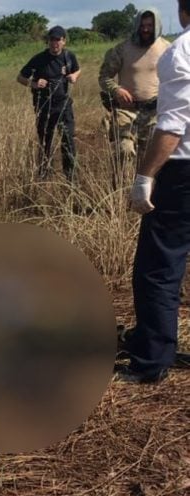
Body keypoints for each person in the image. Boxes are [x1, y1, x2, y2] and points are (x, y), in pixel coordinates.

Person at [117, 0, 190, 384]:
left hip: (182, 173)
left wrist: (145, 176)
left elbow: (173, 128)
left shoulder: (180, 52)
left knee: (158, 267)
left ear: (181, 10)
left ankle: (151, 361)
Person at [99, 8, 170, 185]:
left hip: (154, 111)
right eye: (142, 25)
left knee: (147, 159)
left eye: (150, 25)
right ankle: (117, 191)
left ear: (157, 26)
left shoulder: (168, 49)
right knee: (124, 150)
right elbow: (104, 76)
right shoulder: (123, 49)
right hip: (126, 110)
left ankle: (140, 195)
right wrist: (116, 90)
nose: (146, 29)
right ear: (137, 25)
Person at [17, 26, 81, 182]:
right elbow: (20, 77)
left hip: (64, 105)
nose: (55, 43)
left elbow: (78, 70)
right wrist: (34, 83)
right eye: (52, 40)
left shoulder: (69, 56)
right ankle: (45, 175)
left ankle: (71, 177)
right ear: (48, 41)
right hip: (44, 106)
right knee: (45, 141)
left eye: (58, 40)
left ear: (64, 41)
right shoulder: (39, 59)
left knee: (68, 140)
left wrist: (74, 76)